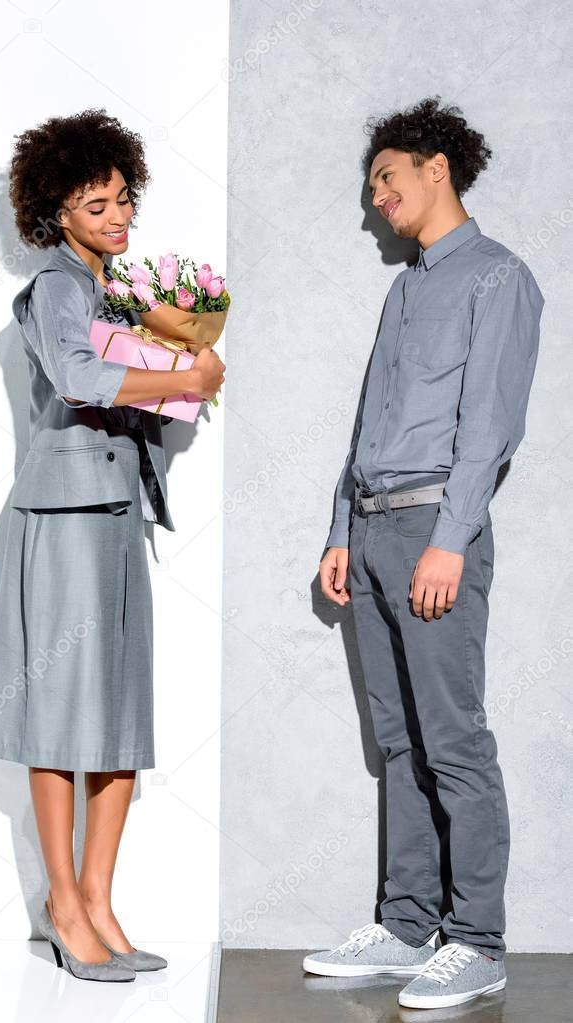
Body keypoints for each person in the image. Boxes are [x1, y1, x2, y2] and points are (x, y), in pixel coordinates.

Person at [0, 108, 225, 982]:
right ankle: (62, 903)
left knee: (119, 715)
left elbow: (135, 384)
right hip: (64, 515)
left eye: (121, 199)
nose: (116, 217)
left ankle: (99, 897)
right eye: (94, 205)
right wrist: (184, 375)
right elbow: (80, 380)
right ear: (55, 213)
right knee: (63, 715)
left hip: (118, 508)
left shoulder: (114, 287)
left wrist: (186, 366)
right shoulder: (53, 287)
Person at [306, 97, 544, 1010]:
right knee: (397, 738)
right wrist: (339, 527)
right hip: (369, 530)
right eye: (372, 187)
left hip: (432, 529)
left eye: (386, 179)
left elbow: (488, 427)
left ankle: (476, 941)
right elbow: (367, 420)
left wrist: (449, 541)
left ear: (434, 166)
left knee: (452, 738)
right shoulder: (405, 287)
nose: (376, 201)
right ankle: (406, 925)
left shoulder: (497, 278)